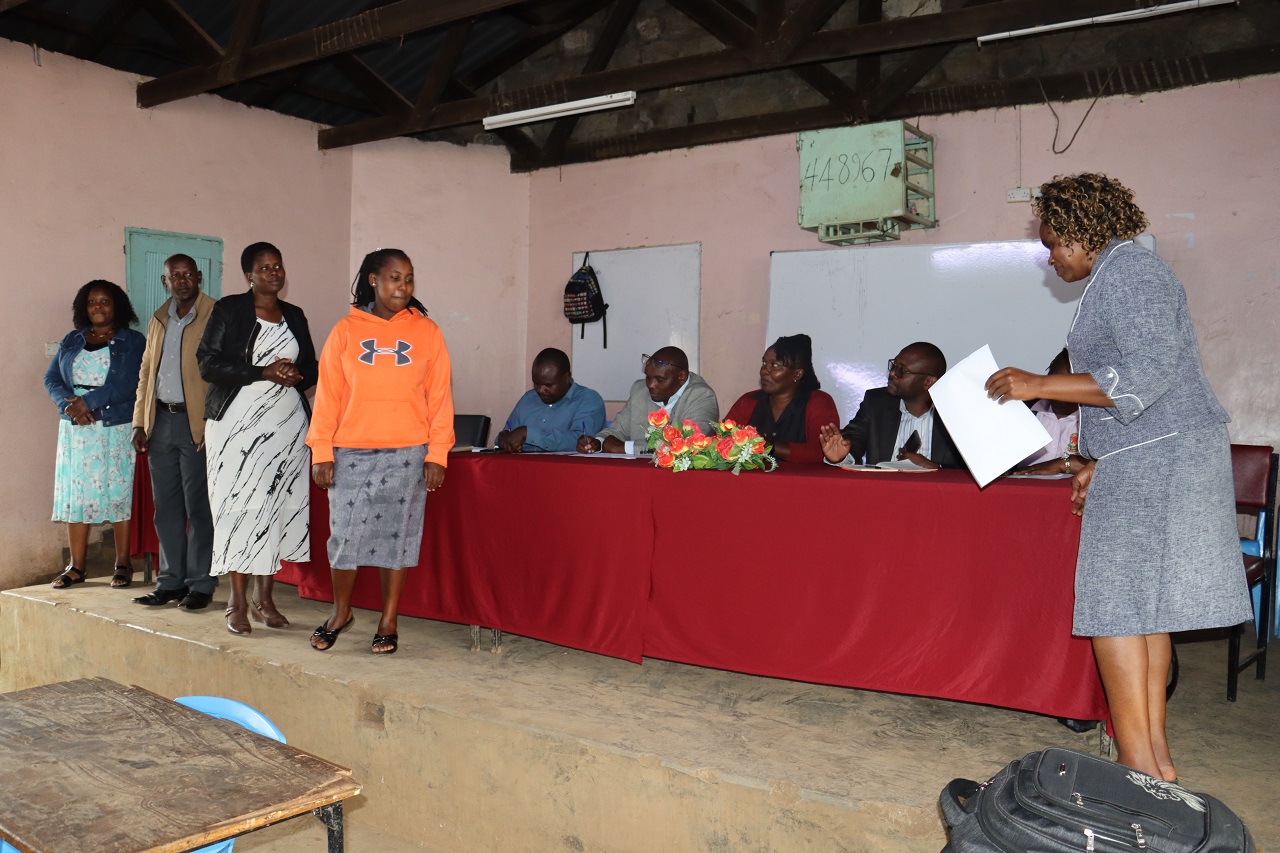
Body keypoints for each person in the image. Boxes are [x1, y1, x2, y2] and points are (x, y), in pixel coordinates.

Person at [984, 173, 1252, 782]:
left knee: (1113, 608)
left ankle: (1137, 768)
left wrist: (1038, 383)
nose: (1050, 257)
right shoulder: (1121, 274)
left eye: (1054, 243)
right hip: (1148, 454)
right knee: (1140, 610)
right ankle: (1154, 767)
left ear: (1082, 231)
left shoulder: (1131, 273)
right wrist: (1099, 461)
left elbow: (1146, 373)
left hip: (1160, 457)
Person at [307, 248, 454, 656]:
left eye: (408, 279)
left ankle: (389, 619)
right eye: (394, 277)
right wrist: (321, 451)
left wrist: (437, 454)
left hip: (407, 452)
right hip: (350, 452)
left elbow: (440, 398)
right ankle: (341, 613)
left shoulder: (427, 332)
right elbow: (328, 396)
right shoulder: (345, 331)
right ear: (373, 280)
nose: (403, 286)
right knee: (344, 536)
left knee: (398, 538)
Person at [198, 242, 316, 635]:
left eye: (278, 266)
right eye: (265, 267)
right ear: (249, 275)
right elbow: (208, 364)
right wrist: (263, 372)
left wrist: (298, 374)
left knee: (276, 508)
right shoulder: (229, 309)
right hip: (237, 426)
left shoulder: (294, 315)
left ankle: (265, 599)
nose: (274, 273)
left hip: (286, 427)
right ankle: (236, 601)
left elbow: (311, 366)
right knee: (240, 507)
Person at [130, 255, 218, 611]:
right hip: (161, 422)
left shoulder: (215, 313)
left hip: (197, 424)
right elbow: (146, 371)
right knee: (165, 508)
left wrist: (212, 424)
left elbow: (222, 373)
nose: (182, 281)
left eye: (188, 274)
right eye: (174, 276)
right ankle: (170, 582)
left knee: (198, 508)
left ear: (199, 277)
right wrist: (140, 421)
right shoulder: (159, 318)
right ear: (165, 281)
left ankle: (201, 584)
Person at [44, 280, 145, 589]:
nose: (97, 307)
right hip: (76, 429)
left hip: (114, 427)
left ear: (117, 306)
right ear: (83, 307)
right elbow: (51, 378)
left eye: (104, 301)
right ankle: (76, 566)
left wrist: (87, 402)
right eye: (91, 302)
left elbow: (130, 383)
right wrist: (68, 405)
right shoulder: (72, 339)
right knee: (77, 494)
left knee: (119, 492)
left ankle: (123, 563)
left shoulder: (133, 340)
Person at [818, 341, 962, 468]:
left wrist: (934, 467)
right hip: (882, 489)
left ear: (929, 382)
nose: (892, 373)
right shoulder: (876, 403)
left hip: (937, 491)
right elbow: (853, 440)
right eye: (894, 365)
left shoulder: (956, 412)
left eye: (902, 371)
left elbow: (967, 470)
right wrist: (842, 456)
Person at [576, 347, 718, 454]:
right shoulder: (640, 390)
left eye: (660, 380)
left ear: (681, 376)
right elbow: (616, 431)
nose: (650, 385)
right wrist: (597, 443)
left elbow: (687, 446)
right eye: (648, 377)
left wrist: (626, 448)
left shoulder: (702, 396)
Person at [722, 334, 839, 463]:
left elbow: (821, 453)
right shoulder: (749, 401)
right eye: (764, 363)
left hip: (800, 476)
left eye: (775, 365)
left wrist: (768, 445)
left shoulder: (819, 403)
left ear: (797, 374)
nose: (764, 371)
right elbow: (719, 441)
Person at [496, 348, 604, 452]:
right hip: (521, 464)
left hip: (564, 464)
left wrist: (528, 434)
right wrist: (504, 439)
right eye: (536, 384)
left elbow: (581, 442)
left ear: (566, 378)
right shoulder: (528, 398)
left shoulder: (588, 400)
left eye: (548, 385)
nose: (541, 390)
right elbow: (508, 433)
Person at [1012, 348, 1083, 476]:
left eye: (1069, 383)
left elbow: (1104, 464)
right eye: (1056, 380)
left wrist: (1063, 464)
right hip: (1021, 486)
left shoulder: (1098, 420)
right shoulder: (1021, 410)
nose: (1060, 389)